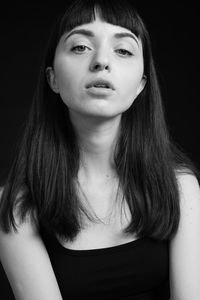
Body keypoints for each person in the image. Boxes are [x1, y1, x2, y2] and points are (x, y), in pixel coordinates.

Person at [0, 0, 200, 299]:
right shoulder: (15, 204)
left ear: (141, 85)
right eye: (80, 47)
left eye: (123, 50)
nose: (101, 61)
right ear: (52, 78)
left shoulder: (180, 186)